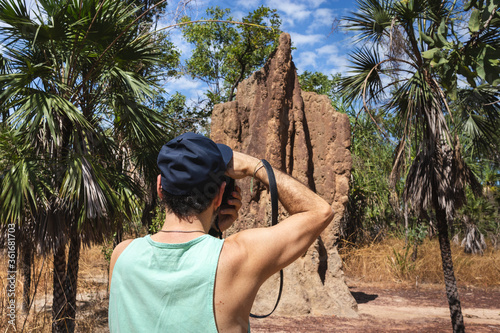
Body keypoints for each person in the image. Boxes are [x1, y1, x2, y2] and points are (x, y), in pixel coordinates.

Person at [108, 132, 334, 332]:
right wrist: (254, 165)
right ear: (219, 196)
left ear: (159, 188)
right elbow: (320, 211)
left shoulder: (121, 256)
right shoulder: (238, 256)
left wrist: (214, 231)